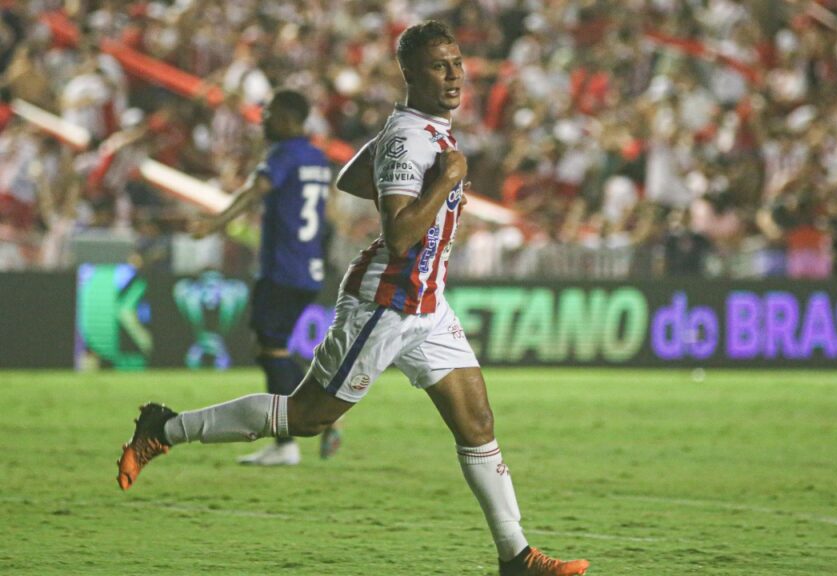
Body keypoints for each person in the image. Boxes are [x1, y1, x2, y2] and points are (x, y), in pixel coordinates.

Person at [117, 21, 590, 576]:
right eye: (441, 66)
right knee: (308, 416)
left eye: (458, 63)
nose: (456, 74)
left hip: (427, 304)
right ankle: (165, 428)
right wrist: (445, 181)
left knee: (478, 423)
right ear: (411, 73)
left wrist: (424, 174)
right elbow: (398, 235)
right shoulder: (410, 137)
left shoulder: (420, 130)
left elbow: (348, 176)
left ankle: (516, 557)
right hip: (386, 303)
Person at [188, 88, 342, 465]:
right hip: (307, 268)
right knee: (272, 348)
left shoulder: (284, 155)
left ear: (289, 119)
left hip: (283, 269)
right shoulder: (318, 158)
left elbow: (256, 189)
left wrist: (216, 222)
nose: (263, 120)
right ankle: (301, 430)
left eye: (270, 113)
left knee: (271, 349)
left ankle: (304, 432)